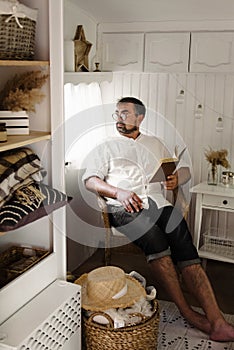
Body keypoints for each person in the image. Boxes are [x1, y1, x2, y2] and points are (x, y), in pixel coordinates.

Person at [82, 96, 234, 342]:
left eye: (125, 114)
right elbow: (90, 180)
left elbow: (181, 169)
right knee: (156, 240)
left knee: (184, 244)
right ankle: (188, 313)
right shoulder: (105, 146)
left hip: (158, 203)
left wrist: (177, 179)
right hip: (124, 206)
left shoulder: (155, 142)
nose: (118, 119)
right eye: (117, 114)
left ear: (140, 117)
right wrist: (118, 192)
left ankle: (216, 319)